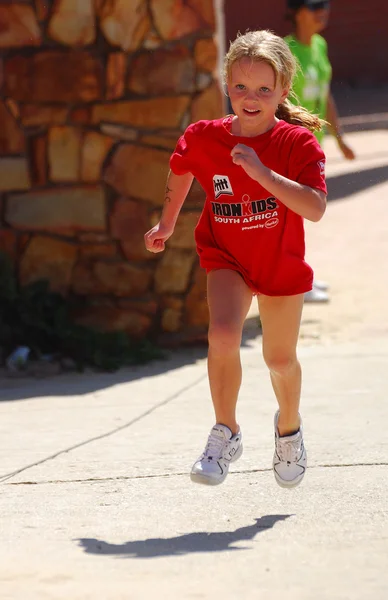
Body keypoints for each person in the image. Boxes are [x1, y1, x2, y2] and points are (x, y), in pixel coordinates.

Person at [144, 29, 327, 489]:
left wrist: (263, 173)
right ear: (227, 86)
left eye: (264, 89)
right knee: (222, 334)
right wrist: (166, 223)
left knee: (279, 359)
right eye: (241, 87)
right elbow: (181, 166)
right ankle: (226, 430)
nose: (251, 98)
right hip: (226, 254)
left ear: (283, 90)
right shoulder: (205, 137)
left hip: (280, 263)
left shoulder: (296, 145)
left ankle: (289, 430)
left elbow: (315, 208)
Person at [285, 0, 355, 303]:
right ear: (297, 11)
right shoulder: (283, 50)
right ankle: (295, 282)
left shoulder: (320, 46)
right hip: (290, 146)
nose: (322, 10)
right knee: (293, 215)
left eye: (324, 4)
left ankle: (302, 277)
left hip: (314, 146)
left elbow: (325, 94)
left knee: (304, 214)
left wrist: (339, 139)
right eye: (314, 5)